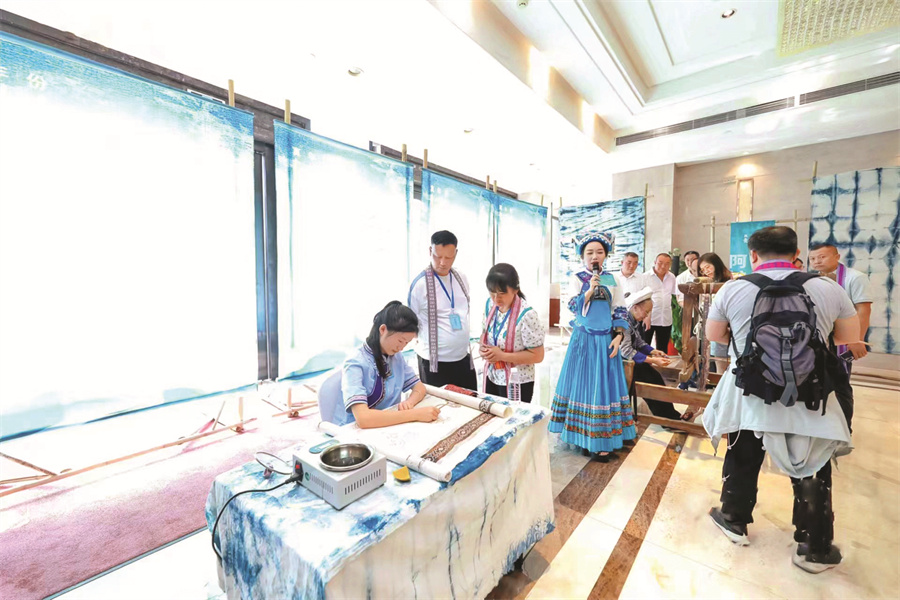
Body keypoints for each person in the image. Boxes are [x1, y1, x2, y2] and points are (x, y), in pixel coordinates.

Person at [702, 226, 862, 573]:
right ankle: (813, 547)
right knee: (812, 463)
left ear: (753, 255)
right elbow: (848, 338)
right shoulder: (827, 287)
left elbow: (715, 335)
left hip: (749, 392)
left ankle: (733, 519)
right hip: (810, 393)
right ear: (796, 253)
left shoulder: (733, 288)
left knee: (743, 453)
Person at [550, 231, 635, 461]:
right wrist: (588, 291)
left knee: (604, 388)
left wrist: (618, 336)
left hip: (606, 340)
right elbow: (572, 305)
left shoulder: (612, 279)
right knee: (584, 386)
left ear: (606, 255)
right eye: (589, 252)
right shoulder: (577, 278)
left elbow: (619, 309)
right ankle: (582, 436)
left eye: (599, 252)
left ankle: (604, 436)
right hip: (584, 340)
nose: (594, 256)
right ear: (582, 256)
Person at [322, 301, 440, 428]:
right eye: (400, 341)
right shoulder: (355, 363)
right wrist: (414, 414)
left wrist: (410, 402)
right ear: (383, 329)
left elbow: (419, 388)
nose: (401, 347)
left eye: (406, 343)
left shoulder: (396, 357)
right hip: (354, 429)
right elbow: (363, 419)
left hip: (388, 424)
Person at [408, 230, 478, 390]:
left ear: (456, 254)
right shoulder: (420, 284)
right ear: (430, 251)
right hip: (434, 363)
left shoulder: (461, 277)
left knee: (471, 400)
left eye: (448, 257)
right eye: (437, 256)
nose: (442, 262)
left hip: (463, 358)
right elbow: (411, 323)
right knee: (438, 404)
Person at [620, 287, 692, 422]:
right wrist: (653, 360)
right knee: (651, 384)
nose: (647, 316)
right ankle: (668, 419)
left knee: (657, 378)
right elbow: (626, 351)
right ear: (635, 308)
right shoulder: (624, 323)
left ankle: (672, 416)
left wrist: (653, 351)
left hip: (633, 362)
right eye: (646, 312)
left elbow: (639, 342)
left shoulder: (633, 320)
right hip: (623, 365)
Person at [479, 263, 545, 403]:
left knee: (512, 415)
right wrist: (483, 348)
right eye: (492, 292)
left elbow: (538, 355)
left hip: (517, 380)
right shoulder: (490, 305)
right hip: (492, 375)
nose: (496, 299)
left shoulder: (527, 315)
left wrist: (502, 356)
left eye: (502, 293)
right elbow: (485, 332)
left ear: (515, 289)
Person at [808, 243, 871, 365]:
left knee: (838, 371)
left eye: (822, 257)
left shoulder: (855, 277)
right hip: (819, 334)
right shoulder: (810, 279)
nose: (817, 261)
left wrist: (856, 339)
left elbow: (863, 310)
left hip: (842, 333)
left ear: (837, 257)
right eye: (812, 258)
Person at [642, 253, 677, 353]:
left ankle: (661, 363)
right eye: (660, 263)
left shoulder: (671, 277)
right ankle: (644, 364)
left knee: (663, 348)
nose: (663, 266)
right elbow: (641, 298)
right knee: (644, 346)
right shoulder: (645, 277)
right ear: (655, 262)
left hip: (665, 318)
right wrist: (645, 316)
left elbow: (674, 294)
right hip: (649, 317)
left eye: (667, 264)